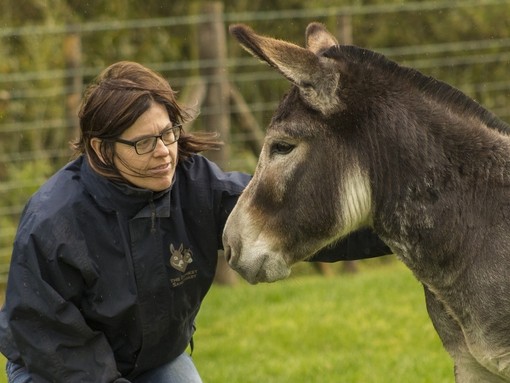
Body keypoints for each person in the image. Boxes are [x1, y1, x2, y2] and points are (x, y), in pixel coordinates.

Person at [0, 61, 391, 383]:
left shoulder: (195, 184)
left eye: (168, 133)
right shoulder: (53, 221)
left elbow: (290, 218)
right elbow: (51, 341)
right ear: (102, 150)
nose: (164, 153)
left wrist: (398, 227)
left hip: (155, 360)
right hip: (54, 369)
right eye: (143, 143)